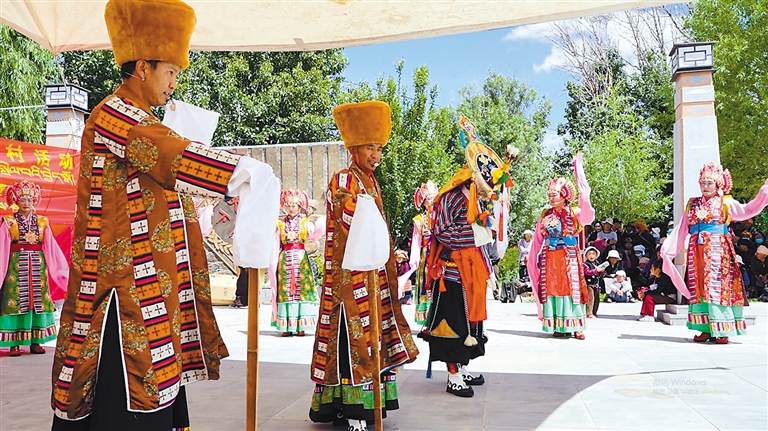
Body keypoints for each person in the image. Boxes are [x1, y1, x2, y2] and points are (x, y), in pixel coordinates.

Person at [51, 1, 280, 428]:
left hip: (151, 284)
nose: (174, 83)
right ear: (142, 67)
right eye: (171, 72)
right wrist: (240, 172)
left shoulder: (141, 118)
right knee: (125, 394)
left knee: (157, 383)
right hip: (120, 287)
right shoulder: (115, 115)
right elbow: (166, 153)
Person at [309, 101, 418, 431]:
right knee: (351, 341)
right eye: (371, 147)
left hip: (374, 276)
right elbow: (350, 217)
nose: (376, 155)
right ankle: (353, 411)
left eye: (379, 148)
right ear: (354, 148)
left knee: (373, 341)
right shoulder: (344, 179)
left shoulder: (371, 181)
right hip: (349, 279)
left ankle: (364, 407)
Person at [419, 116, 513, 397]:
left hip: (472, 269)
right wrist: (475, 235)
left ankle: (462, 365)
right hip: (452, 271)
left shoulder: (476, 198)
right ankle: (452, 374)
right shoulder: (452, 196)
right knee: (453, 322)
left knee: (471, 321)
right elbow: (441, 230)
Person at [661, 162, 768, 344]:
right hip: (697, 253)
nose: (705, 186)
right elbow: (681, 229)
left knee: (718, 288)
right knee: (700, 287)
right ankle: (705, 328)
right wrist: (668, 249)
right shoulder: (692, 204)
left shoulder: (725, 202)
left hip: (719, 253)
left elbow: (747, 210)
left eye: (709, 183)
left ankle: (722, 328)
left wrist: (764, 193)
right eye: (703, 182)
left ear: (718, 184)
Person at [527, 153, 594, 340]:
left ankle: (577, 325)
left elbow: (587, 206)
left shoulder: (576, 213)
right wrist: (531, 260)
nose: (551, 198)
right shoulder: (545, 215)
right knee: (552, 288)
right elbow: (537, 240)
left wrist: (578, 170)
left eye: (554, 194)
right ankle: (558, 324)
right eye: (549, 195)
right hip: (550, 258)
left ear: (564, 195)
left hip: (569, 257)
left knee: (572, 288)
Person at [1, 180, 68, 357]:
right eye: (23, 199)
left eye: (29, 200)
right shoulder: (9, 222)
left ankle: (36, 341)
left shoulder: (42, 222)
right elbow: (2, 248)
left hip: (37, 266)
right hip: (16, 266)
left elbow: (51, 247)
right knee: (15, 302)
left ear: (34, 201)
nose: (26, 203)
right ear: (16, 200)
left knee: (37, 302)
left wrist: (60, 271)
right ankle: (13, 343)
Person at [268, 189, 325, 337]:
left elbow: (314, 235)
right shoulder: (280, 224)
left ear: (299, 206)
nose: (291, 208)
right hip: (285, 259)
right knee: (285, 291)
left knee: (302, 291)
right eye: (288, 205)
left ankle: (301, 326)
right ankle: (286, 326)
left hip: (300, 260)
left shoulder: (305, 223)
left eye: (294, 205)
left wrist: (322, 223)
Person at [405, 181, 438, 324]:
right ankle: (426, 319)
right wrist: (414, 260)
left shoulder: (441, 216)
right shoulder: (419, 220)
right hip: (425, 257)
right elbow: (416, 240)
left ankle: (438, 317)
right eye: (429, 198)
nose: (431, 200)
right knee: (425, 284)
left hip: (438, 256)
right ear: (424, 202)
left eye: (433, 197)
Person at [582, 246, 604, 318]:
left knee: (597, 299)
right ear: (586, 255)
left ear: (596, 255)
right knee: (590, 299)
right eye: (589, 254)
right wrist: (596, 270)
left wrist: (602, 271)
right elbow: (587, 272)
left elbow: (600, 275)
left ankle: (594, 312)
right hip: (589, 284)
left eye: (593, 254)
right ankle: (589, 313)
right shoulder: (585, 264)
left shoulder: (597, 263)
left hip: (596, 284)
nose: (591, 256)